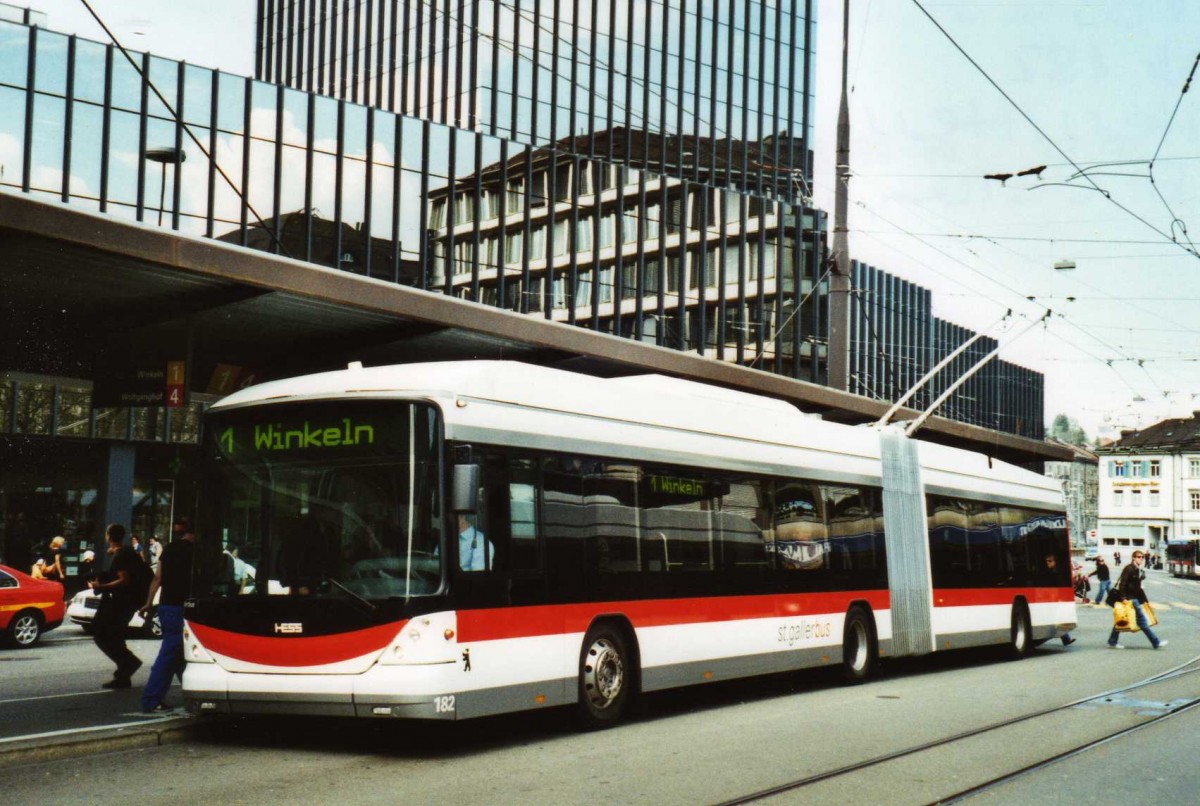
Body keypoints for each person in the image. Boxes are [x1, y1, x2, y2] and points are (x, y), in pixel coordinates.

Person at [139, 516, 196, 713]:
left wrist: (148, 603)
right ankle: (151, 699)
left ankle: (194, 695)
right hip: (185, 607)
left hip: (166, 605)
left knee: (178, 654)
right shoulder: (196, 552)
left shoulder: (170, 548)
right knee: (171, 653)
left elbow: (157, 578)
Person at [88, 525, 148, 688]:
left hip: (120, 602)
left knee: (102, 634)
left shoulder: (120, 555)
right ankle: (123, 675)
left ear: (108, 536)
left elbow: (124, 580)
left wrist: (101, 587)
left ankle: (129, 663)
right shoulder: (126, 552)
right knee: (116, 635)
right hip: (129, 601)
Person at [1107, 550, 1166, 650]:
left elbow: (1138, 587)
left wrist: (1144, 600)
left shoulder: (1138, 569)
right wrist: (1123, 598)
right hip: (1130, 599)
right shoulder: (1129, 568)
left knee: (1122, 619)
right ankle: (1156, 642)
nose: (1141, 559)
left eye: (1142, 557)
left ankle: (1112, 641)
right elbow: (1123, 584)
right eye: (1138, 557)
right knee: (1142, 621)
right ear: (1133, 557)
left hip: (1135, 598)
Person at [1044, 554, 1076, 646]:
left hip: (1055, 599)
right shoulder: (1050, 571)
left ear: (1055, 562)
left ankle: (1066, 638)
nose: (1048, 563)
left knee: (1056, 620)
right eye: (1046, 561)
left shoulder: (1057, 573)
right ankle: (1066, 639)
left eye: (1050, 561)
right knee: (1055, 620)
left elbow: (1058, 587)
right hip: (1051, 599)